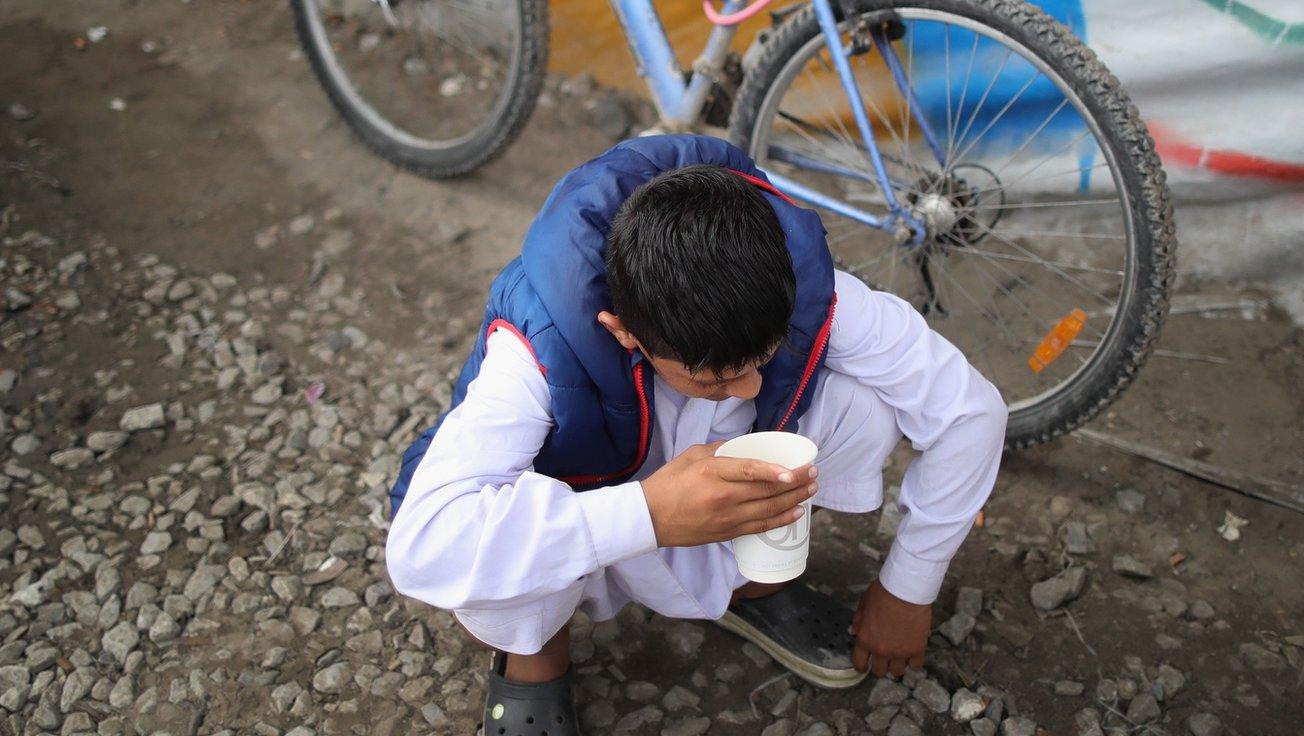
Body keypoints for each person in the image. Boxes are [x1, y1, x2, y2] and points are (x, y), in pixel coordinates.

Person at [386, 136, 1008, 734]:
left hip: (676, 499)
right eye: (719, 376)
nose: (748, 389)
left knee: (867, 402)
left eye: (762, 360)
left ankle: (754, 586)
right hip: (599, 501)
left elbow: (971, 411)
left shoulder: (808, 288)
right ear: (624, 331)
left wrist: (908, 588)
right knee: (492, 529)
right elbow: (424, 545)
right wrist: (647, 513)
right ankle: (536, 660)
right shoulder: (533, 351)